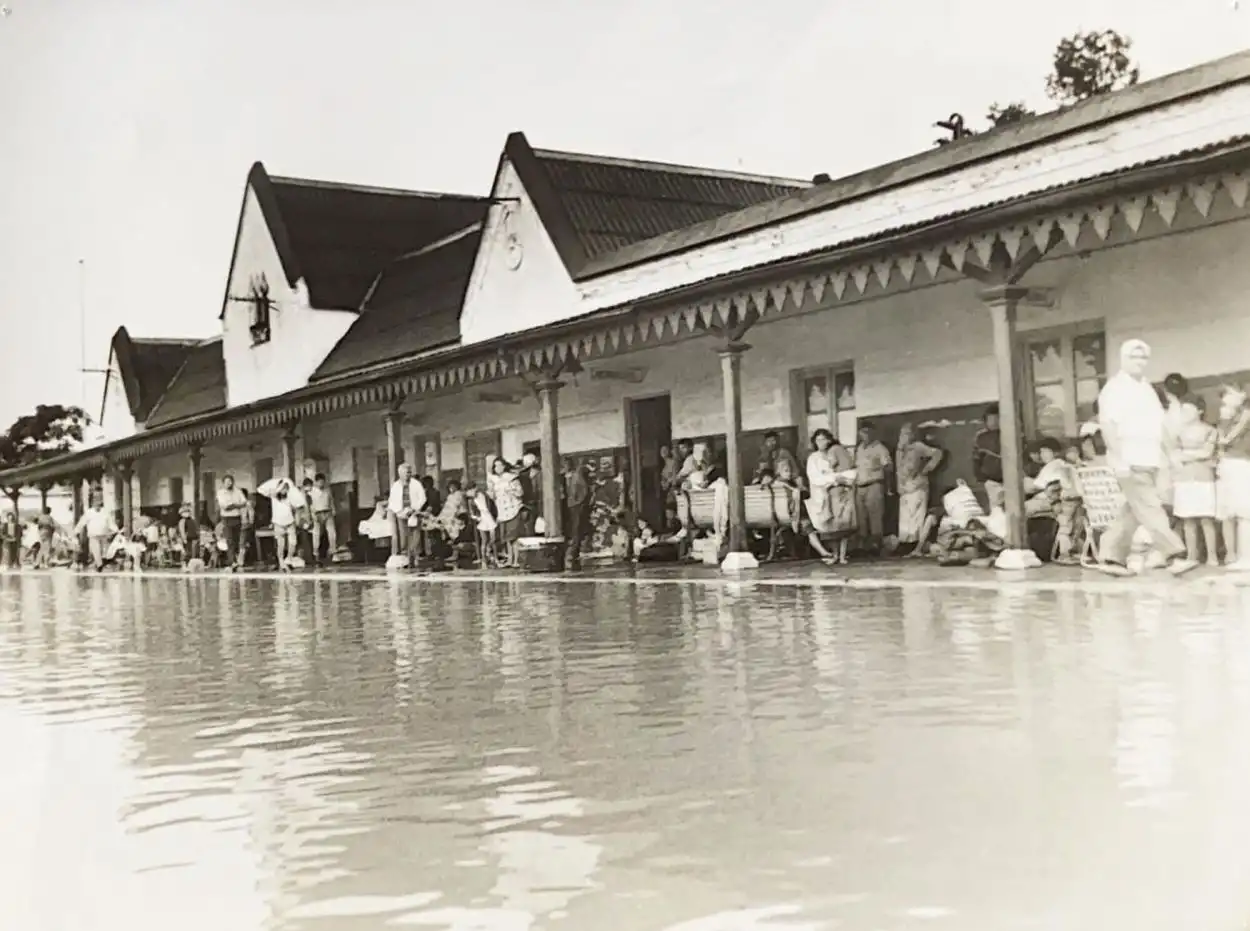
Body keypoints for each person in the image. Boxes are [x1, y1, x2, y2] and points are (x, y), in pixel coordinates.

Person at [1095, 339, 1196, 576]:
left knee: (1134, 508)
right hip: (1129, 457)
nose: (1139, 362)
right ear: (1123, 359)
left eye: (1143, 357)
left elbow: (1159, 425)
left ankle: (1110, 557)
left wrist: (1171, 452)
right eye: (1133, 357)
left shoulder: (1147, 388)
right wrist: (1118, 457)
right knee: (1150, 506)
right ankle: (1174, 554)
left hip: (1150, 457)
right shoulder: (1115, 388)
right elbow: (1108, 425)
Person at [1171, 394, 1220, 567]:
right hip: (1183, 479)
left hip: (1204, 478)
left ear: (1199, 410)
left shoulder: (1210, 430)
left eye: (1188, 409)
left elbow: (1207, 452)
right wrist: (1193, 455)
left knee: (1206, 518)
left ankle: (1212, 557)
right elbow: (1174, 455)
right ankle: (1192, 556)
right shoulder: (1177, 432)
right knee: (1187, 519)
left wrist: (1185, 455)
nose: (1184, 412)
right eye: (1182, 409)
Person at [805, 428, 856, 565]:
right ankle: (834, 554)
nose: (821, 442)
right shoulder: (813, 458)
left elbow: (848, 471)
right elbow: (815, 478)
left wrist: (841, 479)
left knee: (844, 524)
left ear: (829, 440)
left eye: (824, 439)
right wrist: (834, 479)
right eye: (818, 440)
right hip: (824, 495)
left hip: (840, 492)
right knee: (830, 527)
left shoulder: (835, 452)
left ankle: (843, 555)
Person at [895, 423, 943, 553]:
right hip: (905, 488)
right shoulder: (899, 451)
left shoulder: (918, 447)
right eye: (902, 434)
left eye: (907, 433)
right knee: (905, 518)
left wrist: (927, 468)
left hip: (917, 486)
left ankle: (917, 545)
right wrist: (899, 486)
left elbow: (938, 453)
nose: (904, 437)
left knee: (916, 517)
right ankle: (906, 544)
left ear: (912, 435)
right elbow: (898, 470)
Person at [1217, 384, 1250, 569]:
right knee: (1229, 511)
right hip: (1228, 464)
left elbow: (1225, 439)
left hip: (1242, 464)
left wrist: (1225, 418)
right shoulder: (1229, 417)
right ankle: (1234, 555)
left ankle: (1246, 557)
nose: (1225, 400)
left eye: (1229, 394)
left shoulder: (1246, 414)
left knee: (1244, 512)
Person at [853, 422, 893, 556]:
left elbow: (888, 467)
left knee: (875, 516)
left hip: (874, 484)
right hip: (860, 486)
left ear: (873, 432)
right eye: (863, 432)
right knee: (861, 518)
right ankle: (862, 547)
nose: (866, 435)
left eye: (868, 432)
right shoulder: (859, 448)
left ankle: (876, 546)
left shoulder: (880, 448)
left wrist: (888, 486)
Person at [387, 462, 427, 569]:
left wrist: (414, 508)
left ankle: (414, 556)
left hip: (414, 512)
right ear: (400, 473)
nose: (407, 475)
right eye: (405, 473)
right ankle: (405, 558)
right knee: (404, 537)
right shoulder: (396, 486)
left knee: (415, 536)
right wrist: (400, 511)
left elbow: (422, 498)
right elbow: (392, 501)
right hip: (401, 514)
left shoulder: (416, 484)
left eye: (409, 472)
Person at [563, 457, 592, 570]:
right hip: (568, 505)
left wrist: (578, 502)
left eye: (567, 465)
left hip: (576, 506)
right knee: (571, 528)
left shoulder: (577, 476)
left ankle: (574, 551)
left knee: (576, 528)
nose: (565, 467)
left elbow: (584, 491)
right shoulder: (564, 477)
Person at [972, 404, 1004, 504]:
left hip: (1011, 478)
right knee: (996, 506)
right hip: (991, 480)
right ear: (985, 421)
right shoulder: (980, 437)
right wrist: (979, 475)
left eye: (997, 418)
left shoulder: (1010, 433)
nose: (994, 422)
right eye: (990, 419)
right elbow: (976, 458)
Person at [216, 475, 248, 571]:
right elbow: (225, 507)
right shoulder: (220, 493)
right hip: (226, 518)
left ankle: (236, 560)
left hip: (237, 518)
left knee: (236, 540)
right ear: (223, 483)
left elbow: (244, 502)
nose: (229, 483)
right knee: (229, 540)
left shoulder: (238, 491)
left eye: (230, 481)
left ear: (233, 482)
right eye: (226, 482)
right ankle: (232, 562)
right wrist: (237, 505)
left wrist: (233, 505)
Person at [74, 499, 116, 571]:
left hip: (103, 534)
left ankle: (100, 563)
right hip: (93, 535)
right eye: (96, 505)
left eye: (99, 505)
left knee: (102, 551)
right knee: (96, 551)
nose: (97, 506)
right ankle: (99, 565)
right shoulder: (89, 513)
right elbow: (82, 522)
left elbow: (110, 523)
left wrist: (115, 530)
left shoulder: (105, 512)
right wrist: (76, 531)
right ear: (93, 505)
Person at [307, 472, 337, 566]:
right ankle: (316, 554)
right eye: (319, 482)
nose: (321, 484)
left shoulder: (327, 490)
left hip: (327, 512)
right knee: (316, 535)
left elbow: (331, 500)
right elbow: (310, 505)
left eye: (323, 482)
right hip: (317, 514)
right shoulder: (312, 492)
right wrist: (312, 515)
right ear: (316, 482)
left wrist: (333, 510)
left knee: (332, 533)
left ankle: (333, 552)